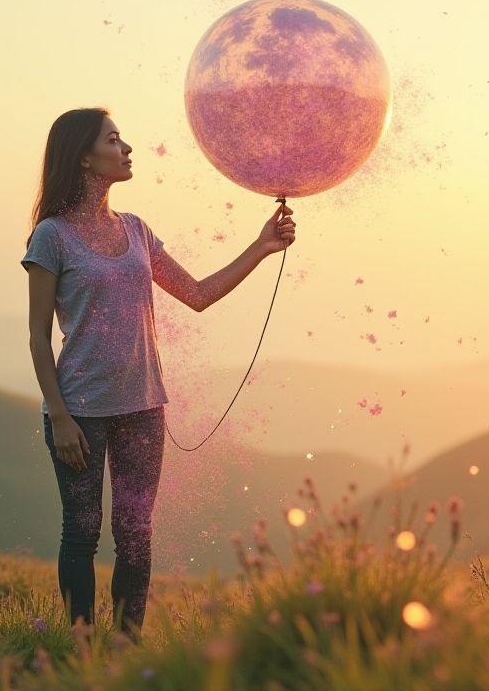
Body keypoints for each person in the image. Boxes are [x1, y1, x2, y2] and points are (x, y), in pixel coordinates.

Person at [20, 107, 296, 641]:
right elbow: (37, 336)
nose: (127, 149)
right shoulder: (51, 237)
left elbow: (196, 295)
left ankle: (125, 646)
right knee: (81, 532)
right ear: (84, 157)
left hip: (145, 406)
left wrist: (262, 246)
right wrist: (59, 416)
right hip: (78, 409)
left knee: (136, 535)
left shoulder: (137, 230)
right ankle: (79, 646)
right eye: (114, 140)